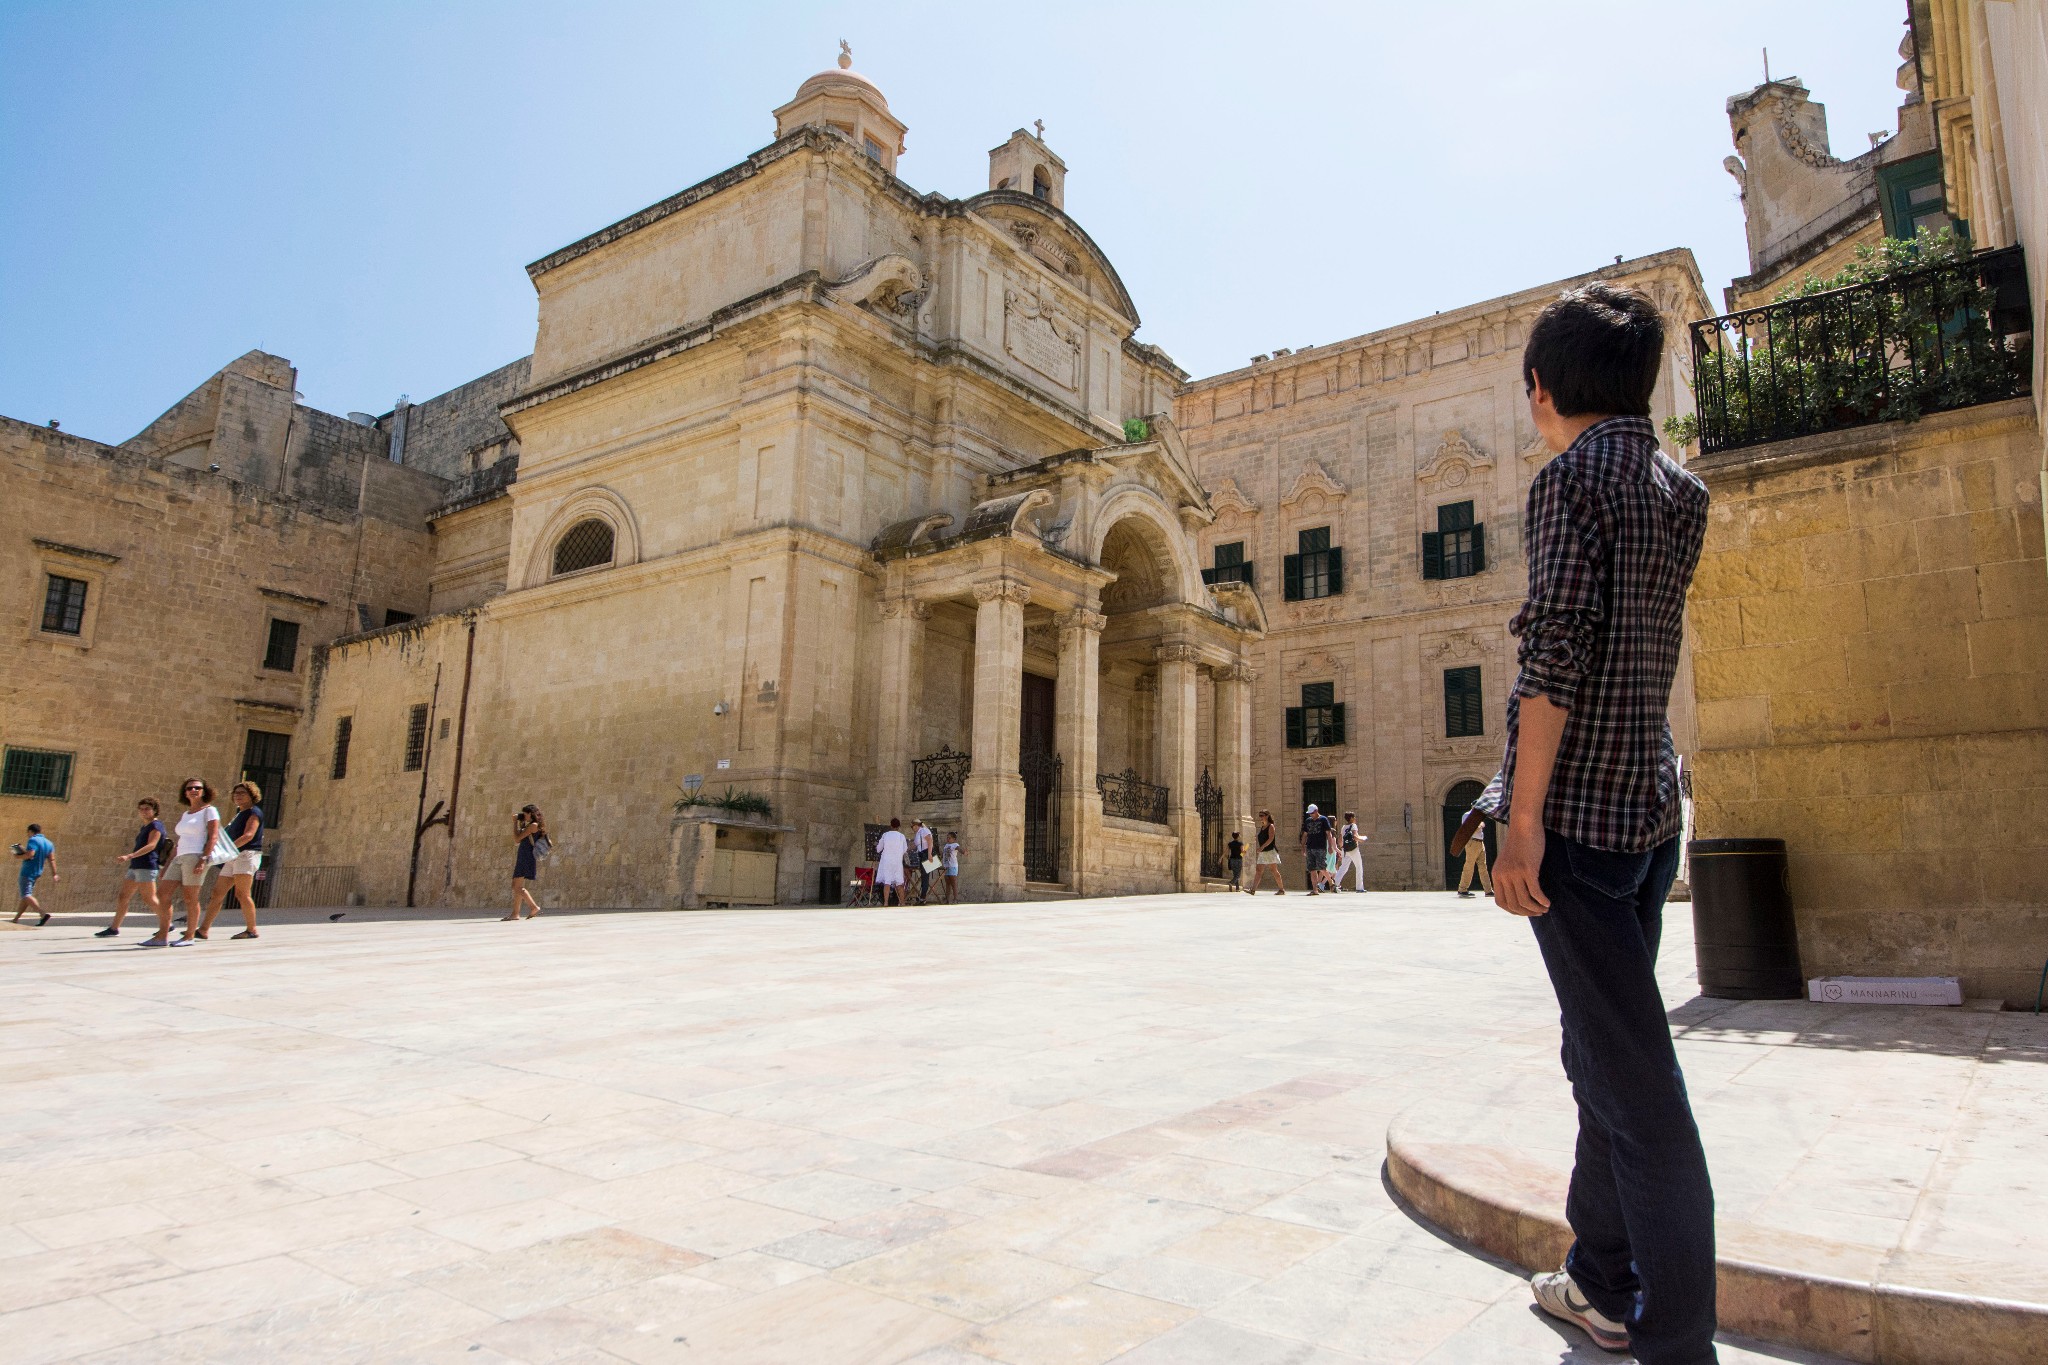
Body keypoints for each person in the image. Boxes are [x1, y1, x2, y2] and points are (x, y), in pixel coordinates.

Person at [1478, 282, 1714, 1364]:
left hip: (1574, 825)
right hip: (1650, 814)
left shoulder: (1567, 479)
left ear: (1541, 389)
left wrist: (1520, 819)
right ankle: (1600, 1281)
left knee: (1639, 1092)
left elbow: (1556, 654)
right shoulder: (1681, 491)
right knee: (1603, 1058)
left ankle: (1676, 1340)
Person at [152, 780, 220, 947]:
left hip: (195, 856)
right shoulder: (186, 814)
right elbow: (179, 841)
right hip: (179, 857)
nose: (193, 790)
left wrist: (203, 859)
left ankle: (189, 936)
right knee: (162, 894)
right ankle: (162, 935)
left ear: (204, 791)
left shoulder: (210, 811)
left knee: (190, 897)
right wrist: (168, 864)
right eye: (190, 788)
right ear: (185, 792)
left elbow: (213, 836)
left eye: (198, 787)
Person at [201, 782, 265, 939]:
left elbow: (248, 835)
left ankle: (252, 930)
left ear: (251, 795)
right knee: (217, 893)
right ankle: (203, 929)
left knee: (242, 893)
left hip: (246, 855)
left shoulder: (254, 812)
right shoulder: (239, 814)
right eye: (236, 793)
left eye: (242, 793)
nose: (238, 795)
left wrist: (227, 849)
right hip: (233, 856)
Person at [101, 799, 165, 937]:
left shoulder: (156, 825)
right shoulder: (145, 827)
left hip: (147, 865)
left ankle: (167, 924)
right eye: (141, 809)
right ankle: (114, 928)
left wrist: (130, 856)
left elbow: (151, 845)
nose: (143, 811)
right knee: (123, 896)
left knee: (149, 898)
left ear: (154, 810)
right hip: (136, 865)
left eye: (147, 808)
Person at [11, 824, 58, 926]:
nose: (27, 835)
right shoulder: (49, 843)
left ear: (30, 831)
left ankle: (42, 914)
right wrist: (54, 874)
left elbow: (30, 854)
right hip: (37, 872)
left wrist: (18, 856)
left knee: (26, 895)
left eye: (27, 832)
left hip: (27, 871)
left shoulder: (33, 840)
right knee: (26, 897)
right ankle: (16, 919)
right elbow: (52, 859)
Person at [506, 805, 545, 920]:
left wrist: (514, 823)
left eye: (525, 814)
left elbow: (517, 839)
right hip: (524, 856)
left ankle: (533, 907)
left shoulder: (533, 826)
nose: (524, 816)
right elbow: (520, 837)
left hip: (526, 857)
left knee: (515, 886)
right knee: (518, 885)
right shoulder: (530, 825)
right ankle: (515, 914)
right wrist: (521, 824)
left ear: (530, 814)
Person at [1451, 806, 1494, 898]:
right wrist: (1480, 825)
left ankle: (1488, 891)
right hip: (1472, 842)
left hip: (1480, 842)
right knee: (1469, 866)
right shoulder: (1467, 815)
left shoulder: (1479, 816)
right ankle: (1462, 889)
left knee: (1483, 867)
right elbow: (1468, 829)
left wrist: (1479, 824)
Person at [1245, 811, 1284, 895]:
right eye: (1260, 816)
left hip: (1270, 851)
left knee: (1274, 870)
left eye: (1262, 815)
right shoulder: (1262, 827)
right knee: (1259, 870)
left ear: (1267, 816)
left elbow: (1271, 838)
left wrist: (1262, 847)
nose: (1260, 817)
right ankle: (1253, 890)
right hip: (1263, 852)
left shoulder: (1271, 826)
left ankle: (1281, 889)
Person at [1300, 803, 1334, 895]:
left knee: (1321, 867)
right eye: (1310, 813)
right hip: (1310, 847)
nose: (1311, 815)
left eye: (1312, 813)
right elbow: (1305, 834)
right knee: (1312, 869)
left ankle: (1330, 882)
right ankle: (1315, 889)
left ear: (1316, 811)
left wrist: (1330, 846)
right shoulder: (1308, 821)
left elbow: (1328, 834)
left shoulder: (1323, 819)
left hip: (1320, 847)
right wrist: (1303, 846)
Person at [874, 818, 908, 907]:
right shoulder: (901, 836)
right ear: (899, 826)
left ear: (891, 825)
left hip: (887, 861)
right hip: (897, 861)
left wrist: (876, 845)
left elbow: (878, 849)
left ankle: (886, 903)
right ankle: (902, 902)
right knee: (899, 882)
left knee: (887, 882)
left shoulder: (885, 835)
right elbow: (905, 849)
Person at [1333, 812, 1367, 893]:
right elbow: (1355, 836)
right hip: (1354, 849)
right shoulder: (1353, 825)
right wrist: (1363, 839)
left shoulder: (1343, 827)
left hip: (1345, 850)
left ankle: (1334, 884)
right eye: (1354, 817)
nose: (1355, 818)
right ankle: (1359, 888)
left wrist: (1342, 848)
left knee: (1343, 868)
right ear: (1351, 818)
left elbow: (1340, 840)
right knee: (1359, 867)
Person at [911, 819, 934, 904]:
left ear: (916, 825)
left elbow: (930, 841)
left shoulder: (924, 830)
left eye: (912, 826)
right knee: (924, 876)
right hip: (921, 854)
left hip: (926, 854)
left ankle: (923, 897)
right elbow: (915, 845)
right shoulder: (918, 833)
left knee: (925, 876)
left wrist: (929, 854)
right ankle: (922, 896)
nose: (912, 828)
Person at [941, 831, 961, 903]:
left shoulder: (955, 845)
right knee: (947, 883)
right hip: (946, 866)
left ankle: (956, 898)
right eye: (947, 838)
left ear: (954, 839)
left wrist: (964, 852)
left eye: (949, 838)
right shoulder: (946, 845)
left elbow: (959, 849)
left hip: (952, 866)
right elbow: (943, 854)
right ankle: (947, 898)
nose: (948, 839)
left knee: (953, 883)